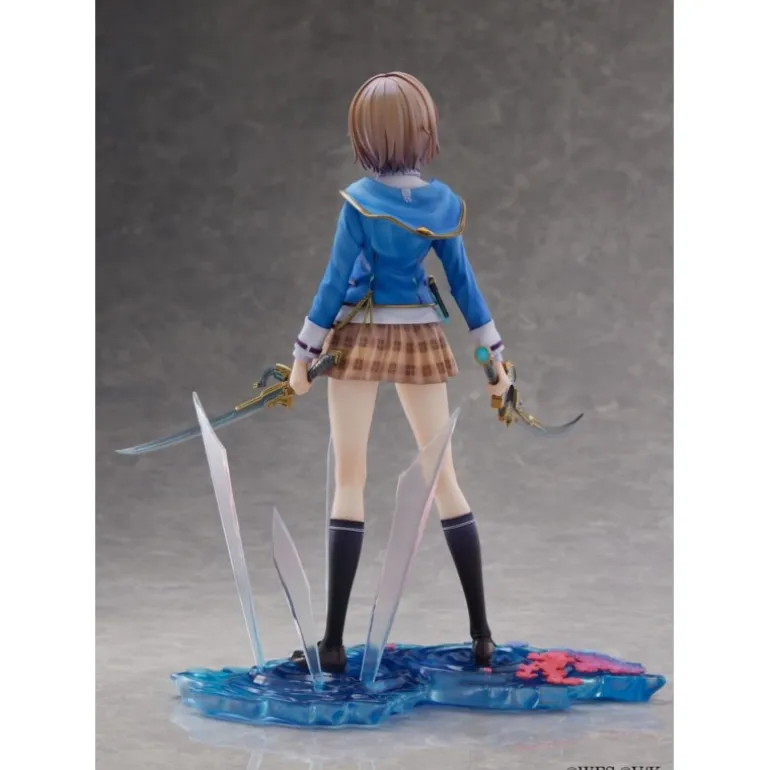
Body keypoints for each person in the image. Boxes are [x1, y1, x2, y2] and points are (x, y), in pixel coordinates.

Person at [289, 72, 510, 673]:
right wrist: (494, 356)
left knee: (350, 479)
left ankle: (333, 645)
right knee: (444, 481)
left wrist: (303, 355)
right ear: (422, 131)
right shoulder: (440, 204)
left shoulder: (360, 203)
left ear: (366, 135)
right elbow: (463, 285)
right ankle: (482, 636)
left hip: (359, 336)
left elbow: (333, 284)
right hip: (417, 335)